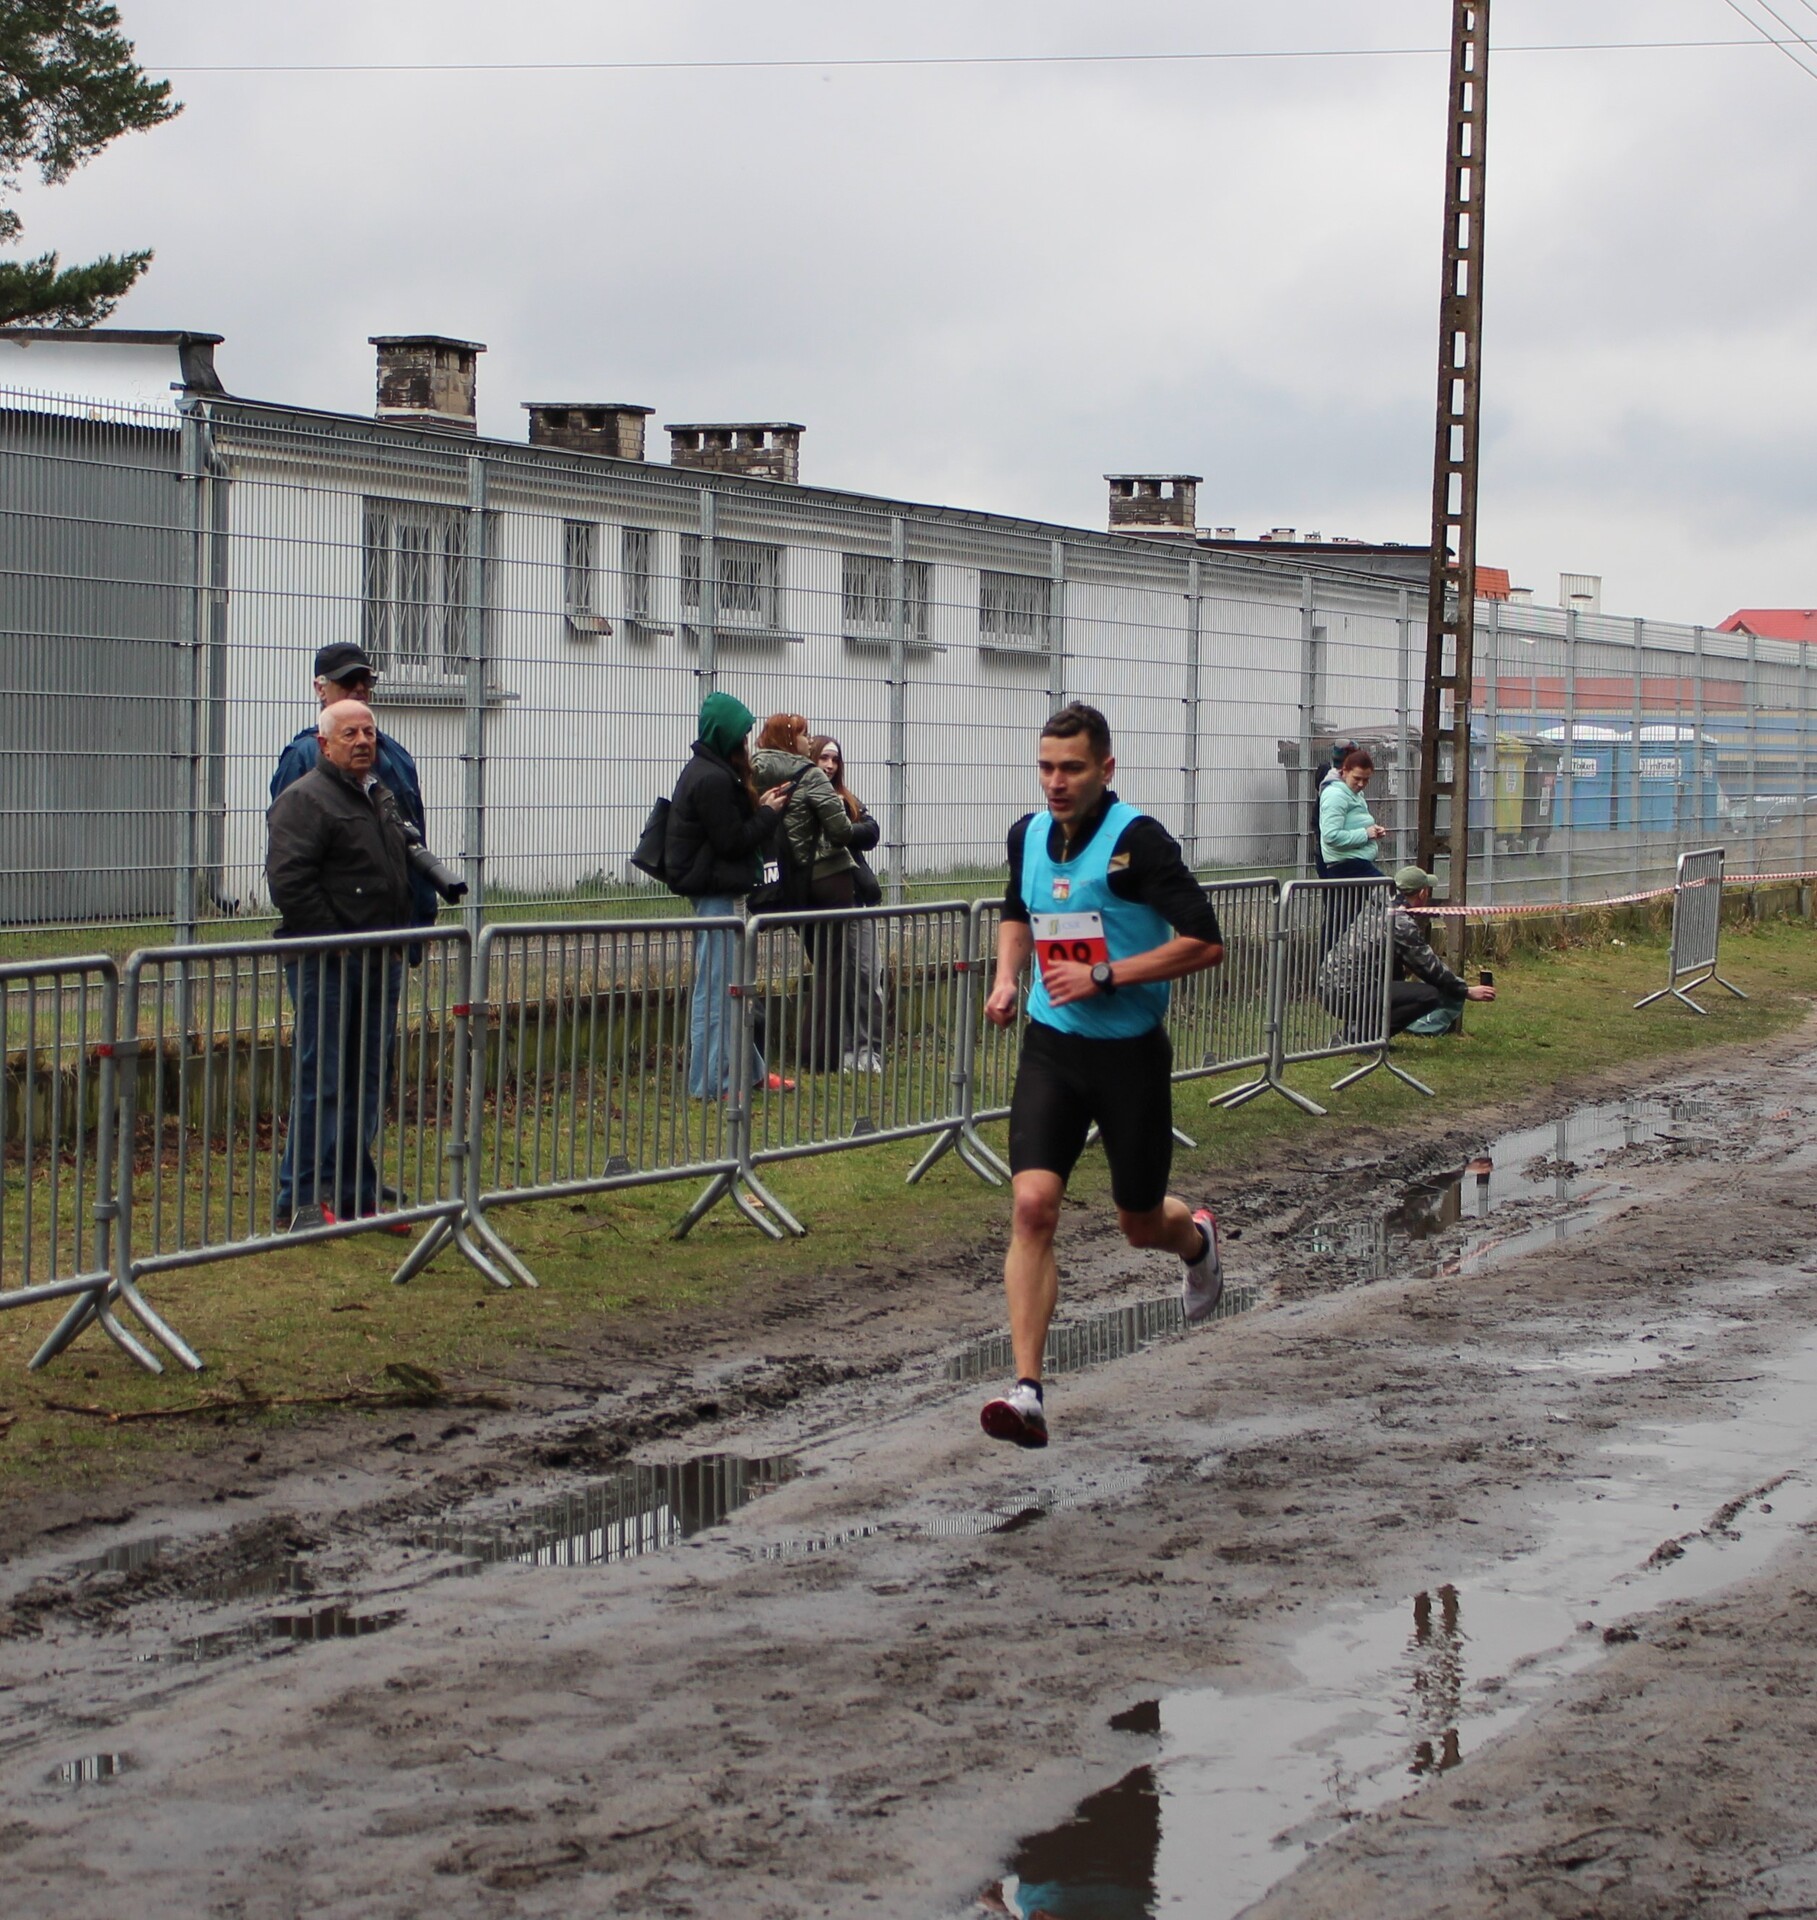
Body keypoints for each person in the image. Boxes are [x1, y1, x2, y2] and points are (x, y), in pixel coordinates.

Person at [979, 703, 1227, 1450]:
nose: (1056, 782)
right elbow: (1017, 910)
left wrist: (1108, 974)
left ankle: (1196, 1243)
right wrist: (1006, 978)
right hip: (1053, 1047)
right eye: (1046, 767)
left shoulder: (1138, 842)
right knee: (1032, 1207)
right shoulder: (1027, 834)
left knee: (1139, 1223)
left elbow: (1205, 942)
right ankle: (1027, 1391)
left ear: (1105, 769)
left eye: (1072, 768)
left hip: (1129, 1055)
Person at [265, 700, 417, 1232]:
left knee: (366, 1081)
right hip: (327, 962)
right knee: (322, 1080)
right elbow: (289, 881)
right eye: (349, 733)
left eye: (369, 732)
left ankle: (356, 1199)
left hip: (379, 958)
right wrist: (337, 940)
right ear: (324, 744)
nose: (362, 741)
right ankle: (300, 1201)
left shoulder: (378, 795)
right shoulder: (304, 799)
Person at [663, 692, 794, 1098]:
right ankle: (710, 1082)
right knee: (717, 991)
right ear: (727, 737)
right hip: (716, 893)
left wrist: (761, 808)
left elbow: (728, 835)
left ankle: (750, 1072)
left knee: (735, 988)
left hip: (722, 889)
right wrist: (768, 814)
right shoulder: (712, 779)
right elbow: (733, 841)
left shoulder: (711, 772)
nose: (746, 744)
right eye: (742, 737)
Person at [271, 644, 439, 931]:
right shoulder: (302, 757)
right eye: (348, 681)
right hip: (337, 939)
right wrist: (332, 940)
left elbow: (412, 836)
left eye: (366, 681)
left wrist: (423, 915)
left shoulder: (395, 755)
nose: (359, 688)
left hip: (396, 933)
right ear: (320, 688)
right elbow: (291, 869)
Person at [751, 713, 860, 1073]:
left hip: (790, 879)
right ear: (788, 738)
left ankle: (809, 1050)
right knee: (831, 968)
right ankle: (819, 1056)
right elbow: (841, 830)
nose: (808, 741)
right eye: (803, 734)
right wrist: (852, 820)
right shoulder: (809, 774)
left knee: (818, 961)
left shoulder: (753, 771)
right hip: (828, 877)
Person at [1318, 863, 1497, 1038]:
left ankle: (1363, 1034)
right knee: (1429, 996)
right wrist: (1465, 990)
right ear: (1422, 893)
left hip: (1328, 987)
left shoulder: (1378, 906)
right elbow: (1431, 968)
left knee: (1397, 973)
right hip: (1346, 994)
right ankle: (1355, 1036)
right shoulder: (1400, 923)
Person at [810, 735, 886, 1073]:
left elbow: (871, 832)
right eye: (823, 758)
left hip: (857, 899)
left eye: (835, 759)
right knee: (837, 979)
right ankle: (841, 1051)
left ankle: (869, 1051)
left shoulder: (847, 799)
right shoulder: (805, 799)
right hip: (825, 903)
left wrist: (843, 828)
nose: (829, 765)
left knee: (868, 976)